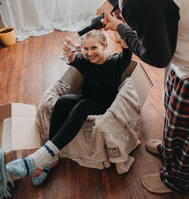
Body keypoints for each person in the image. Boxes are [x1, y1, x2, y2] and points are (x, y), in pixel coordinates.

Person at [44, 0, 189, 193]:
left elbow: (156, 58)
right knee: (171, 113)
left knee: (187, 131)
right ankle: (169, 149)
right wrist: (111, 0)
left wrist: (119, 28)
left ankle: (176, 180)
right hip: (182, 47)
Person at [6, 30, 132, 185]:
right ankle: (52, 157)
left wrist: (122, 32)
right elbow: (72, 58)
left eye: (94, 48)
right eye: (85, 49)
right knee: (62, 101)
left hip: (103, 104)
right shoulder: (86, 60)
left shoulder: (116, 63)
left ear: (104, 46)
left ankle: (39, 158)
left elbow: (127, 53)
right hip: (85, 99)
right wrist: (68, 52)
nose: (90, 53)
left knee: (81, 106)